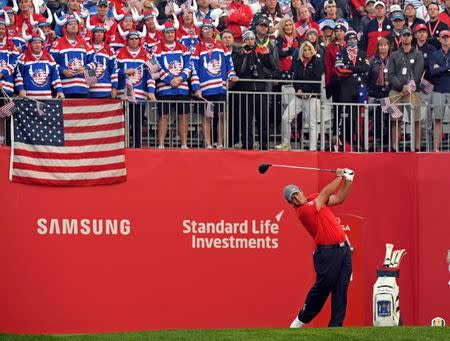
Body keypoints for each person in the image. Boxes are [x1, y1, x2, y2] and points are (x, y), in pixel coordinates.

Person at [286, 167, 354, 328]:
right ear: (291, 204)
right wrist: (339, 177)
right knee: (323, 287)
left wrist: (349, 180)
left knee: (341, 288)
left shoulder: (314, 199)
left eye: (296, 193)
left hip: (343, 250)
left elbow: (339, 199)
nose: (296, 198)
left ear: (301, 191)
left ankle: (336, 327)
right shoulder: (303, 211)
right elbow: (325, 194)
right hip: (327, 253)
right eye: (292, 198)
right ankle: (301, 319)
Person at [276, 41, 323, 151]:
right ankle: (286, 143)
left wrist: (308, 91)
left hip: (312, 97)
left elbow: (316, 79)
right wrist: (299, 89)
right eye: (305, 50)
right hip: (299, 96)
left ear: (312, 50)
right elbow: (295, 78)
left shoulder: (318, 62)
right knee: (285, 118)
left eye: (309, 49)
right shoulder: (299, 63)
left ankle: (312, 148)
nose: (307, 52)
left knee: (312, 123)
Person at [388, 27, 424, 152]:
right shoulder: (394, 55)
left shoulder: (418, 54)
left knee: (416, 119)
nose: (406, 37)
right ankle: (394, 147)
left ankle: (417, 147)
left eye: (408, 35)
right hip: (396, 91)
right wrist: (401, 86)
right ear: (400, 38)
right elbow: (390, 74)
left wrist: (409, 86)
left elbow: (418, 73)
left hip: (413, 91)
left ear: (412, 37)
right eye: (404, 35)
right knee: (395, 120)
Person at [429, 30, 450, 152]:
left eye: (448, 37)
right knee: (437, 119)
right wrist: (447, 69)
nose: (446, 39)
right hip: (439, 89)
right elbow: (433, 72)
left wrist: (440, 68)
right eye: (444, 37)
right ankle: (436, 147)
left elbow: (437, 70)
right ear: (440, 39)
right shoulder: (435, 54)